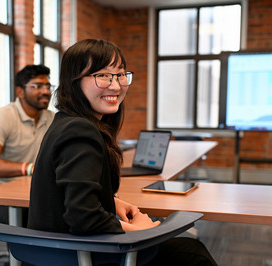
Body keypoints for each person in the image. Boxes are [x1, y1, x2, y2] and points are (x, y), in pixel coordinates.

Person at [27, 39, 217, 265]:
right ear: (74, 82)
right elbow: (83, 217)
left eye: (120, 75)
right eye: (102, 76)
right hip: (78, 254)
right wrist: (140, 230)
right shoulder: (80, 131)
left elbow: (72, 193)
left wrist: (112, 201)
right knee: (191, 253)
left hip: (57, 252)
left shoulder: (65, 121)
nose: (116, 86)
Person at [0, 64, 55, 223]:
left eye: (48, 86)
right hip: (1, 196)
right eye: (37, 86)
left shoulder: (52, 119)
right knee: (38, 220)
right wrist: (29, 168)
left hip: (38, 193)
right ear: (20, 91)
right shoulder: (2, 117)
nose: (46, 91)